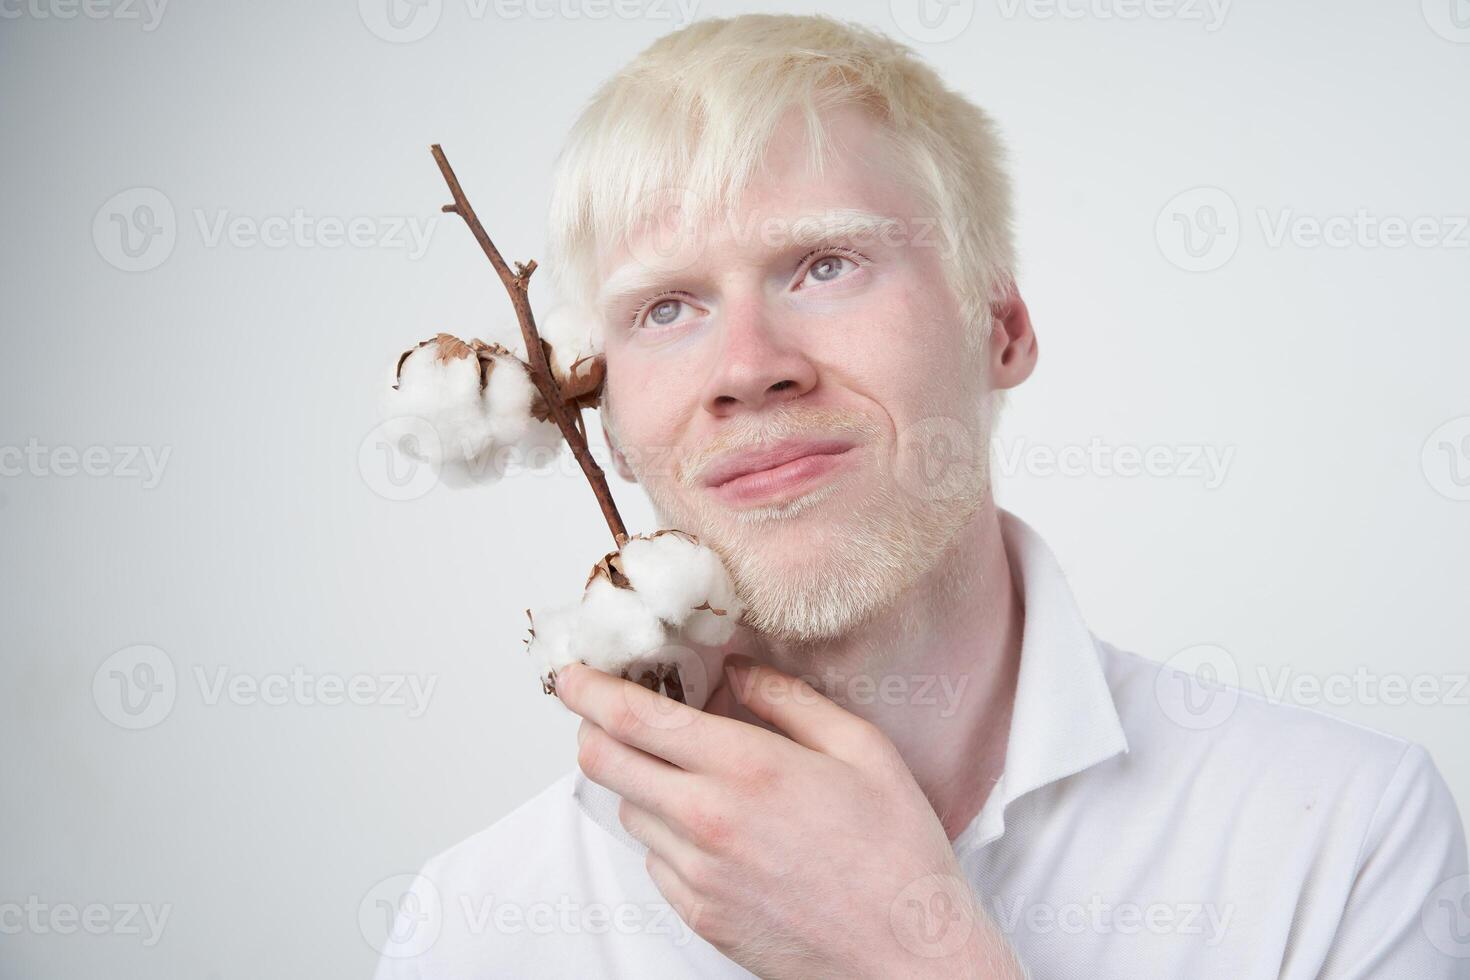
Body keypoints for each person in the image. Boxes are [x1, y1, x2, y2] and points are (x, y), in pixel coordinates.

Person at [374, 14, 1467, 978]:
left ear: (1002, 326)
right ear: (599, 405)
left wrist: (913, 950)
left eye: (824, 264)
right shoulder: (478, 928)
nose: (748, 366)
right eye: (665, 308)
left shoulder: (1342, 842)